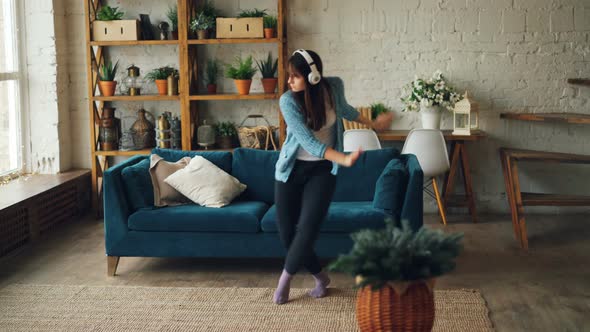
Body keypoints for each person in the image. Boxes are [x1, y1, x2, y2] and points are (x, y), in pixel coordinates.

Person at [273, 49, 394, 304]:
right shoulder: (288, 101)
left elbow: (347, 110)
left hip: (322, 172)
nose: (289, 81)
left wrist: (374, 123)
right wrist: (343, 158)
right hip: (291, 170)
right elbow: (307, 141)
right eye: (289, 77)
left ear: (312, 76)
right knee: (286, 235)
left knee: (307, 228)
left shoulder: (333, 87)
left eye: (295, 76)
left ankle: (283, 282)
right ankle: (321, 277)